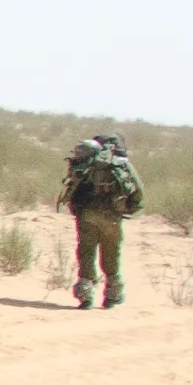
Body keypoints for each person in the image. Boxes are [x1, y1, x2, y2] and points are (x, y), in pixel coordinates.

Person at [64, 132, 142, 309]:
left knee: (86, 252)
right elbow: (139, 192)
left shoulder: (85, 161)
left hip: (86, 214)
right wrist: (129, 208)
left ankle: (85, 296)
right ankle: (112, 296)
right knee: (111, 254)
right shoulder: (120, 164)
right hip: (112, 217)